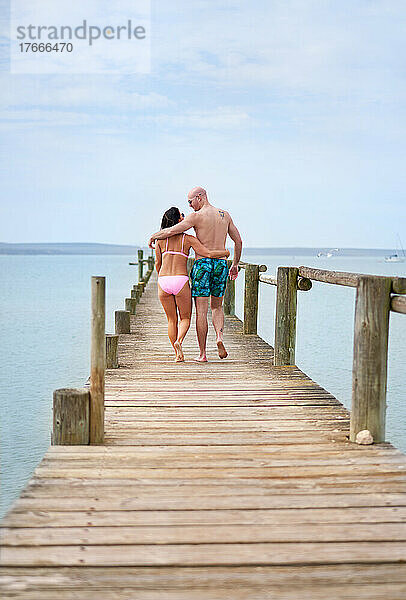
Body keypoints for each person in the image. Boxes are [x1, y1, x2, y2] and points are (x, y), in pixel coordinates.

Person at [149, 187, 242, 362]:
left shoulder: (196, 217)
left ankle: (202, 354)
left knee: (201, 311)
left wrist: (154, 236)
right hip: (221, 263)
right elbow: (238, 241)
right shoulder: (225, 215)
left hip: (202, 264)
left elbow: (171, 231)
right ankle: (219, 337)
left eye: (191, 202)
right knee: (217, 307)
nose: (190, 206)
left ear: (200, 197)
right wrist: (235, 264)